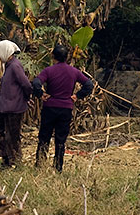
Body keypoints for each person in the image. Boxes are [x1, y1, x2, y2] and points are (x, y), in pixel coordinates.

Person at [32, 44, 94, 172]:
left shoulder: (48, 71)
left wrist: (40, 94)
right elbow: (89, 84)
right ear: (67, 57)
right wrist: (77, 96)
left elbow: (36, 82)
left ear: (53, 56)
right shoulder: (74, 71)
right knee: (61, 139)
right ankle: (58, 167)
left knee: (44, 137)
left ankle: (40, 164)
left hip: (50, 107)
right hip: (66, 108)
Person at [0, 40, 33, 169]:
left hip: (14, 107)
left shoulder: (15, 66)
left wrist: (26, 98)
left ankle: (14, 161)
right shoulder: (9, 65)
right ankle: (6, 159)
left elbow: (26, 84)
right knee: (0, 131)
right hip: (6, 107)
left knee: (12, 135)